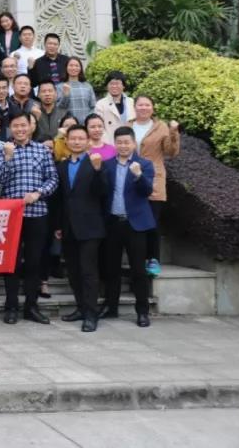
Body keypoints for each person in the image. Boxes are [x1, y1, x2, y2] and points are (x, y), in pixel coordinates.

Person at [0, 113, 59, 325]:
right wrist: (8, 159)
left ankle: (31, 306)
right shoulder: (3, 151)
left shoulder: (42, 150)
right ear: (10, 128)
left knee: (33, 262)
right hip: (12, 216)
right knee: (11, 262)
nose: (20, 129)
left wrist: (39, 193)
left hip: (37, 213)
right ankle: (11, 306)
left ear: (30, 127)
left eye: (23, 125)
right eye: (15, 126)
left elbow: (53, 178)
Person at [53, 125, 108, 333]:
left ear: (88, 142)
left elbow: (103, 192)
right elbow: (59, 199)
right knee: (74, 271)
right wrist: (58, 225)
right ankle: (81, 308)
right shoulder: (61, 166)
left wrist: (98, 170)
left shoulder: (96, 162)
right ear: (66, 141)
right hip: (68, 227)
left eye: (80, 138)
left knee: (88, 272)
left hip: (90, 227)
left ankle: (91, 314)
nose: (76, 142)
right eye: (73, 138)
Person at [99, 127, 156, 327]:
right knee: (111, 269)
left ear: (133, 143)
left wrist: (139, 175)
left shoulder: (144, 164)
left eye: (127, 142)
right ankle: (110, 306)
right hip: (113, 222)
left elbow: (147, 191)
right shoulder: (107, 165)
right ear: (115, 144)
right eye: (119, 142)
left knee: (138, 270)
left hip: (135, 224)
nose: (123, 146)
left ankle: (142, 312)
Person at [128, 95, 180, 278]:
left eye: (147, 105)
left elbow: (171, 151)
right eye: (140, 105)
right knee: (134, 221)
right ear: (134, 107)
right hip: (131, 177)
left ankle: (153, 259)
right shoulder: (127, 126)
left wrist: (173, 132)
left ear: (152, 107)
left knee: (152, 221)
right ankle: (137, 259)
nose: (143, 108)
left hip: (154, 179)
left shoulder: (161, 127)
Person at [94, 70, 135, 144]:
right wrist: (108, 145)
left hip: (129, 143)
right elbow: (100, 128)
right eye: (111, 83)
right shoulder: (100, 104)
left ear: (123, 86)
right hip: (110, 143)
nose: (114, 86)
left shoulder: (131, 102)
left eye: (117, 83)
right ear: (107, 86)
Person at [58, 57, 96, 124]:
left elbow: (93, 106)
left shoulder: (87, 86)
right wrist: (65, 96)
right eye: (71, 65)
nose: (74, 68)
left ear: (80, 68)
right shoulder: (60, 87)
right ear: (66, 68)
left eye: (76, 66)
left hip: (85, 124)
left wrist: (88, 121)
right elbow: (60, 108)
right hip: (69, 125)